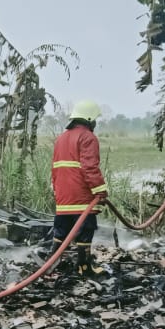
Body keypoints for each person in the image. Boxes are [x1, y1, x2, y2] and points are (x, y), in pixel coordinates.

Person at [50, 100, 108, 275]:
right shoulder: (87, 137)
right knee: (85, 231)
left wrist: (56, 190)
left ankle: (53, 264)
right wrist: (100, 190)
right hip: (81, 197)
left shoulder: (61, 138)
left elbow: (55, 168)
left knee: (61, 231)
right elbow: (90, 167)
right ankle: (84, 267)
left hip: (63, 197)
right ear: (89, 118)